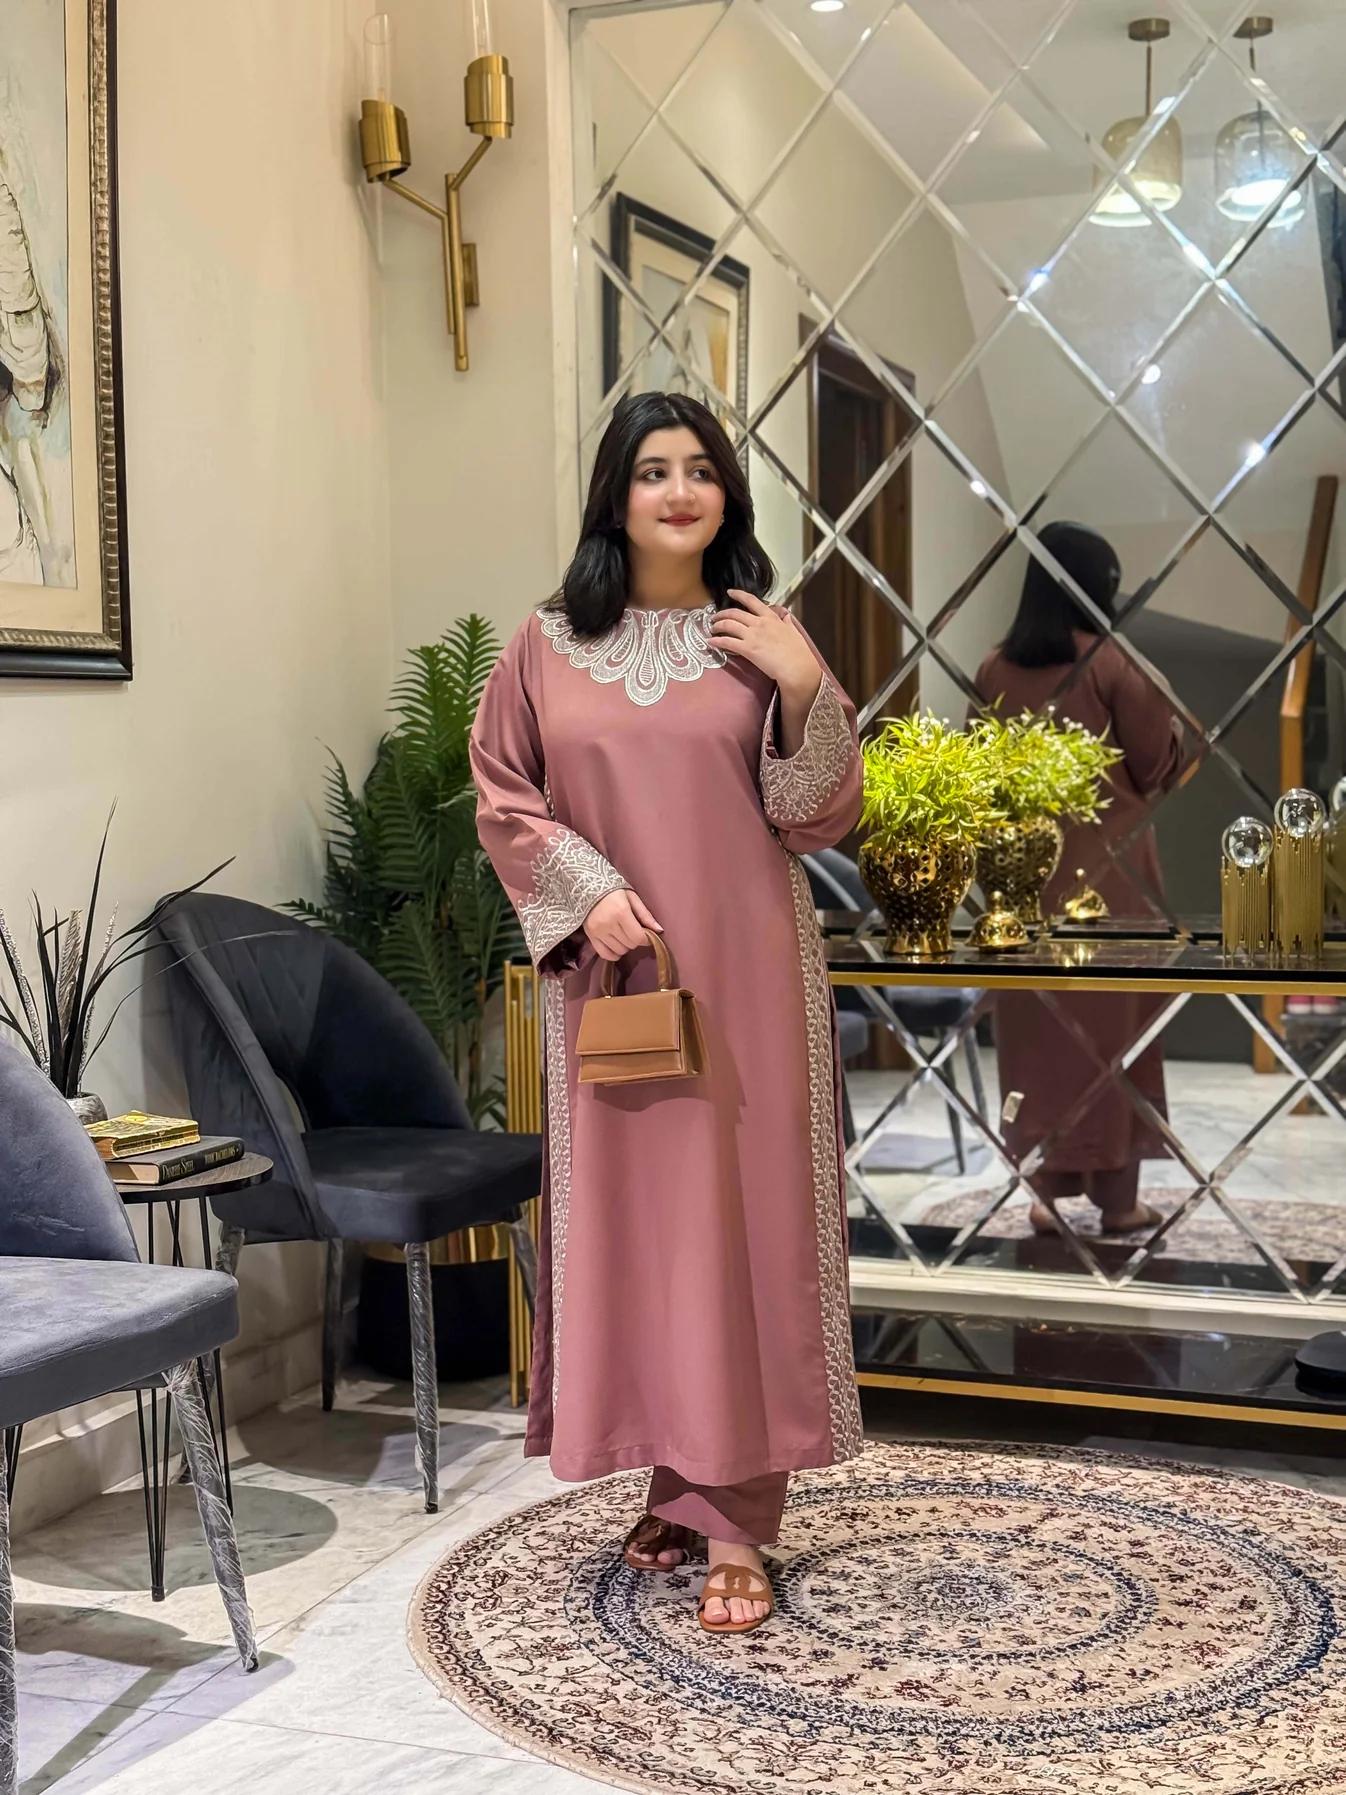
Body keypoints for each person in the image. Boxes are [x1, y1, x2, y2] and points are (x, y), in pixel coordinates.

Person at [468, 390, 865, 1633]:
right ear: (616, 495)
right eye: (652, 471)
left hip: (748, 980)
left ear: (724, 494)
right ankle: (671, 1477)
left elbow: (814, 813)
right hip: (617, 985)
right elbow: (502, 794)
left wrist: (804, 684)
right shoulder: (544, 644)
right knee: (644, 1234)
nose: (678, 491)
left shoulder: (761, 636)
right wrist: (584, 894)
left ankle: (738, 1516)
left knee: (741, 1228)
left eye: (699, 469)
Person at [974, 520, 1184, 1236]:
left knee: (1039, 1042)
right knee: (1116, 1042)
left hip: (1024, 883)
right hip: (1113, 881)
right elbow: (1155, 764)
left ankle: (1045, 1195)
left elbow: (981, 769)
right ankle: (1119, 1203)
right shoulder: (1113, 662)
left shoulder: (993, 668)